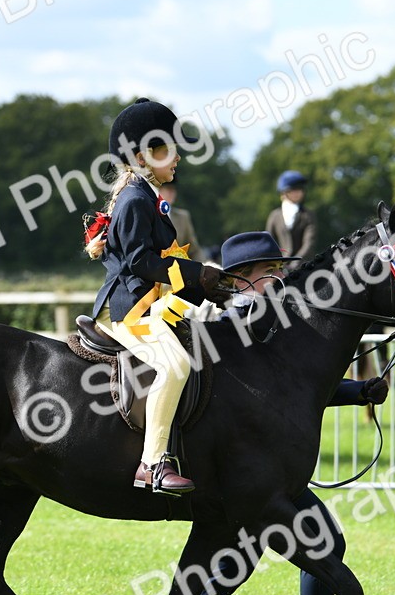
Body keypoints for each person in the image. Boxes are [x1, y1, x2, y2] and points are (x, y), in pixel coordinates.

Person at [163, 231, 389, 595]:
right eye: (271, 272)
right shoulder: (235, 328)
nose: (282, 279)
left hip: (263, 472)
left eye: (282, 270)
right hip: (242, 472)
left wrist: (357, 390)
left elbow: (293, 393)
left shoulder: (270, 322)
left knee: (246, 565)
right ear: (242, 280)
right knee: (241, 566)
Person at [85, 98, 231, 494]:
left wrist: (207, 285)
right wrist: (196, 275)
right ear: (142, 156)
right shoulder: (135, 199)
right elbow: (139, 262)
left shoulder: (146, 195)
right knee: (175, 365)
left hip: (149, 302)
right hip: (128, 309)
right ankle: (152, 464)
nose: (178, 156)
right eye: (168, 148)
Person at [265, 170, 317, 263]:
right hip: (281, 265)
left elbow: (309, 243)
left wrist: (296, 261)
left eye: (300, 189)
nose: (298, 192)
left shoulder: (308, 215)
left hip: (304, 264)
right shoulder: (274, 216)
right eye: (293, 190)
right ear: (284, 192)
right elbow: (269, 242)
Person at [159, 180, 202, 262]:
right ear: (159, 191)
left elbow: (194, 249)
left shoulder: (183, 217)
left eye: (173, 189)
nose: (172, 193)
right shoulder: (150, 213)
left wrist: (203, 268)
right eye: (168, 189)